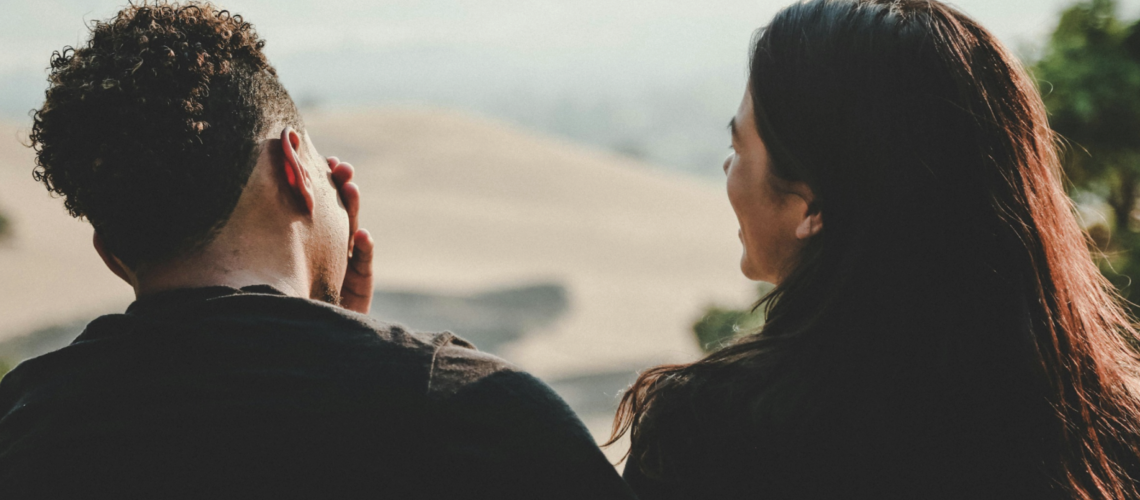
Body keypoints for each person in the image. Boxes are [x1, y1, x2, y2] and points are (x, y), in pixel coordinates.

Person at [0, 3, 634, 499]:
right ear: (298, 170)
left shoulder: (24, 422)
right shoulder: (471, 414)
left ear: (111, 252)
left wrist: (336, 331)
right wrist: (355, 348)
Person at [610, 0, 1140, 498]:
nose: (729, 169)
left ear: (812, 208)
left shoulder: (710, 433)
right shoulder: (1108, 428)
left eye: (739, 147)